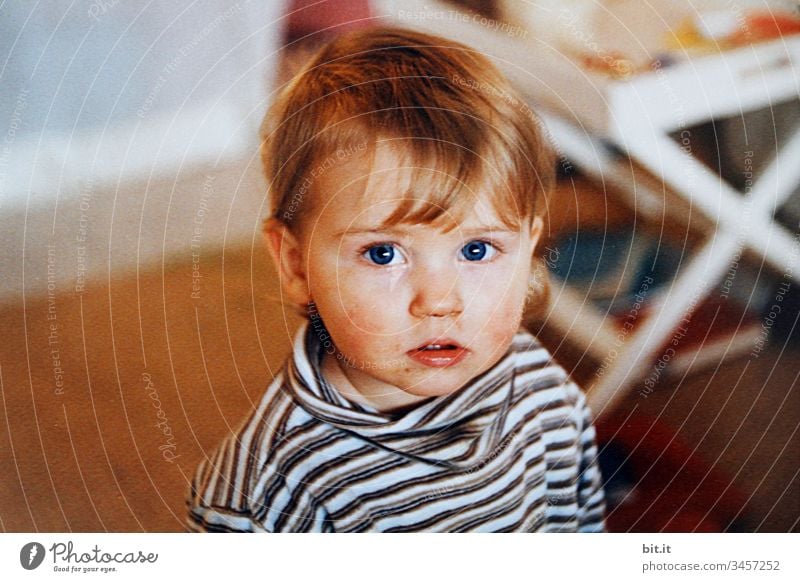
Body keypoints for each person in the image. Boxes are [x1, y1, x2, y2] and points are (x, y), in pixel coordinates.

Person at [186, 27, 605, 532]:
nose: (439, 301)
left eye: (477, 249)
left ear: (530, 247)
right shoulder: (270, 491)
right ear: (296, 266)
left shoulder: (545, 390)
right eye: (383, 254)